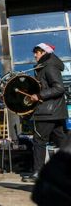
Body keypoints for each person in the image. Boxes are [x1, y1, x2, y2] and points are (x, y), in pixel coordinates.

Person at [22, 43, 67, 183]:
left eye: (37, 52)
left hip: (48, 111)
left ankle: (38, 173)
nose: (35, 55)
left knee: (39, 141)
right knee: (62, 141)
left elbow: (59, 88)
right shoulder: (45, 66)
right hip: (54, 111)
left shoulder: (49, 66)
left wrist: (39, 96)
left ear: (44, 52)